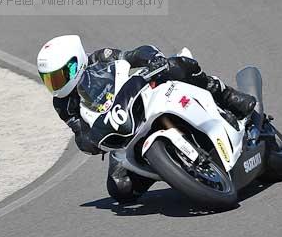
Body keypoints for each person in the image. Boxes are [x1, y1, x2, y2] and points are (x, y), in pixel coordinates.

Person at [37, 35, 256, 204]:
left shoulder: (99, 59)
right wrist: (91, 142)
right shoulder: (63, 104)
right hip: (120, 133)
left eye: (58, 76)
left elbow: (132, 56)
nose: (54, 84)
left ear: (76, 64)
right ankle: (169, 169)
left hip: (142, 99)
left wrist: (152, 60)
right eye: (48, 80)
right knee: (120, 189)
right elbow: (80, 135)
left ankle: (225, 95)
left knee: (179, 66)